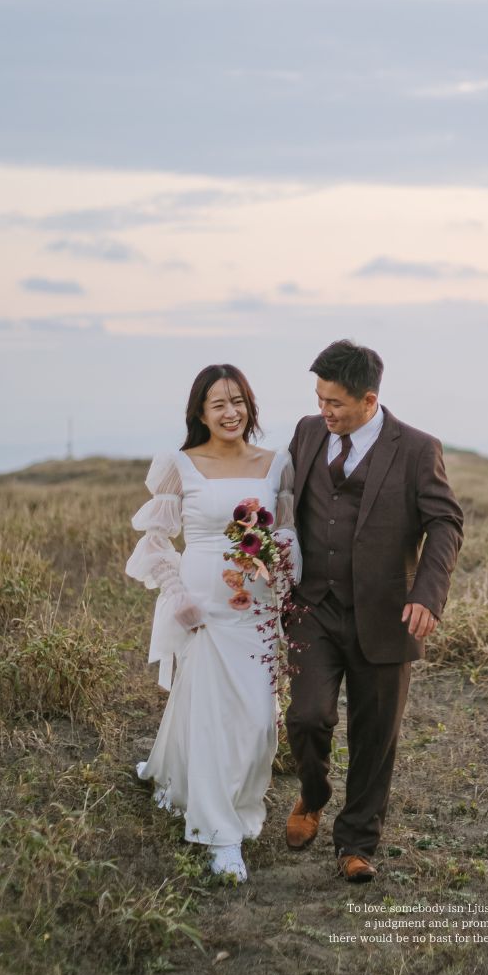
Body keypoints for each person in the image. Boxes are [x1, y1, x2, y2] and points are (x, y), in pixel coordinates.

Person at [284, 339, 464, 882]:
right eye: (319, 398)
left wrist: (427, 594)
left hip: (386, 614)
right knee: (306, 717)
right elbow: (284, 504)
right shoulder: (307, 433)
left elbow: (445, 523)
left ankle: (356, 844)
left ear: (368, 399)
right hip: (314, 607)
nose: (324, 410)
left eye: (334, 402)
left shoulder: (417, 449)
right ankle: (313, 795)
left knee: (375, 735)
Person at [126, 363, 300, 882]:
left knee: (259, 722)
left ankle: (171, 776)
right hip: (201, 608)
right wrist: (176, 593)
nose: (230, 412)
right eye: (218, 403)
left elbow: (287, 533)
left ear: (250, 407)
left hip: (256, 610)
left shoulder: (277, 464)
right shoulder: (180, 464)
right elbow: (156, 539)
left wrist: (277, 563)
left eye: (238, 402)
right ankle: (222, 836)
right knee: (207, 714)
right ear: (200, 412)